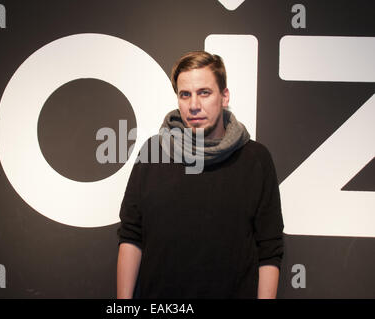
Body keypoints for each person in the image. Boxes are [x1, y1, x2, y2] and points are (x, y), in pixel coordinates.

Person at [116, 51, 284, 299]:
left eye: (204, 92)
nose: (194, 105)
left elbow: (269, 249)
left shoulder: (256, 159)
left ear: (224, 96)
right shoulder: (153, 153)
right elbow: (131, 236)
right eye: (185, 95)